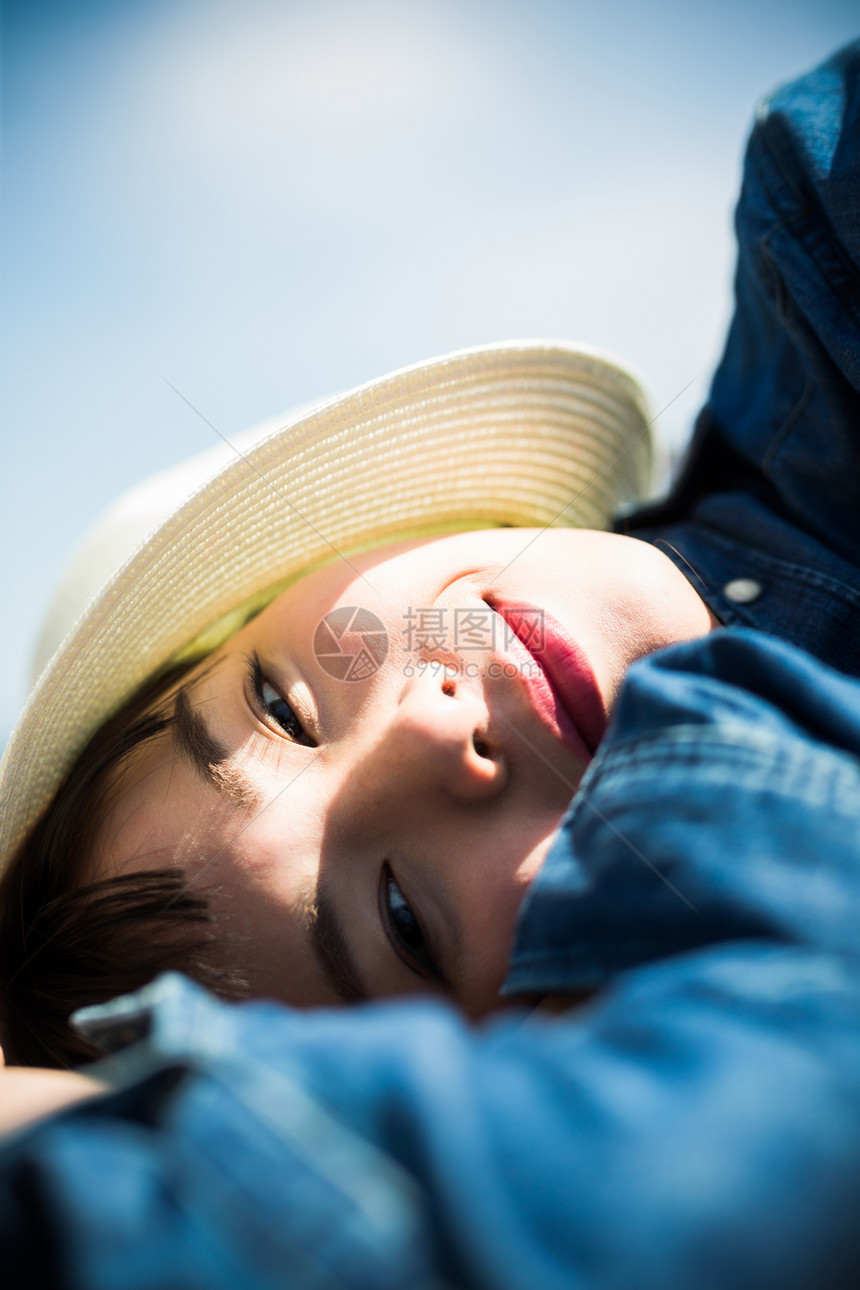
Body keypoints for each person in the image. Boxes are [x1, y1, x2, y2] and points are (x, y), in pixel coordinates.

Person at [1, 35, 860, 1288]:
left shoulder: (822, 237)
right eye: (403, 917)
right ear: (547, 1084)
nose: (415, 736)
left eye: (283, 705)